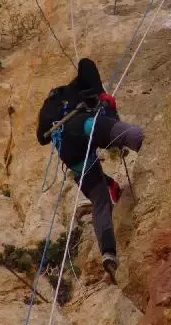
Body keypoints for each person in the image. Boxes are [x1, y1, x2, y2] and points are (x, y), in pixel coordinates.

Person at [36, 58, 143, 282]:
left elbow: (41, 138)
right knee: (129, 133)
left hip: (69, 152)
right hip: (81, 126)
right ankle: (148, 144)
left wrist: (111, 183)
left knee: (100, 200)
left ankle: (108, 253)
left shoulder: (49, 107)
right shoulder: (75, 89)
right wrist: (103, 97)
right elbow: (85, 63)